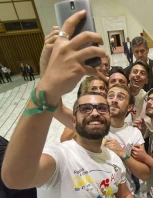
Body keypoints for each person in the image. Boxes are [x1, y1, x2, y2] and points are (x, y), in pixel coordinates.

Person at [2, 11, 133, 197]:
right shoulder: (61, 157)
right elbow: (16, 177)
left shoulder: (113, 159)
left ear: (109, 116)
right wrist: (47, 83)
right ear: (73, 119)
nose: (95, 112)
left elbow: (124, 194)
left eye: (102, 107)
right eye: (86, 108)